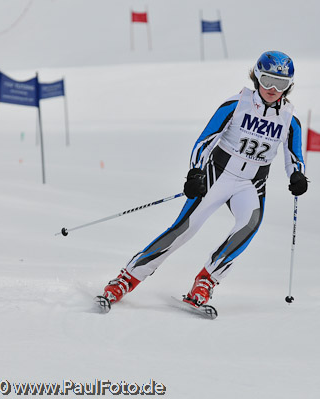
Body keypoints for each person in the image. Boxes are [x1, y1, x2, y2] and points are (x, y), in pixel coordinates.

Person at [97, 51, 308, 312]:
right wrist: (196, 172)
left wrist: (297, 175)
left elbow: (294, 157)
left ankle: (206, 281)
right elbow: (206, 140)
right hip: (218, 174)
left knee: (248, 226)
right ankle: (127, 278)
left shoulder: (290, 118)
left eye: (281, 84)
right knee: (185, 229)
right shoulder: (236, 103)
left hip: (251, 184)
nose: (273, 89)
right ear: (256, 77)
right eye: (267, 81)